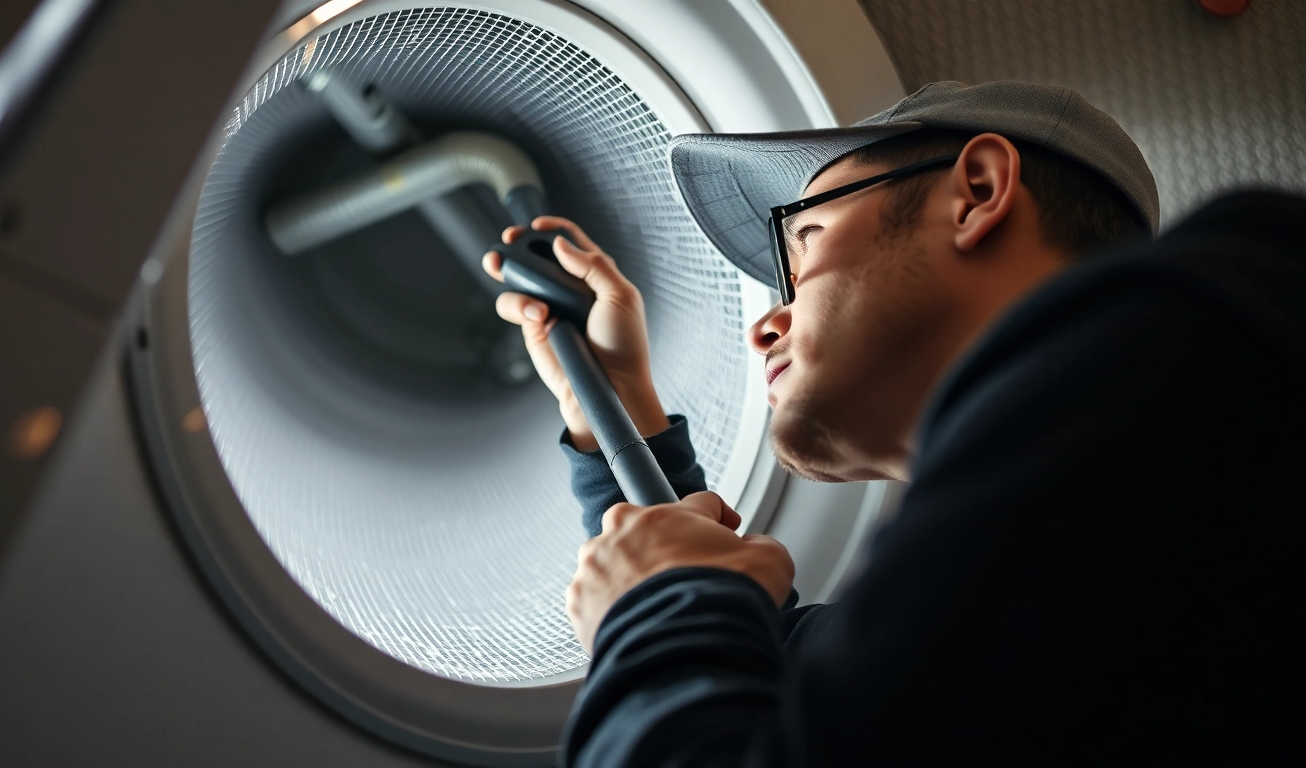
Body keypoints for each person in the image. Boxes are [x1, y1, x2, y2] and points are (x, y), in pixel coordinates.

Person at [482, 81, 1303, 765]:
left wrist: (656, 609)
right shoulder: (1063, 556)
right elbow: (793, 692)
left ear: (976, 193)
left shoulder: (1205, 337)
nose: (765, 324)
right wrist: (618, 414)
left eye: (804, 244)